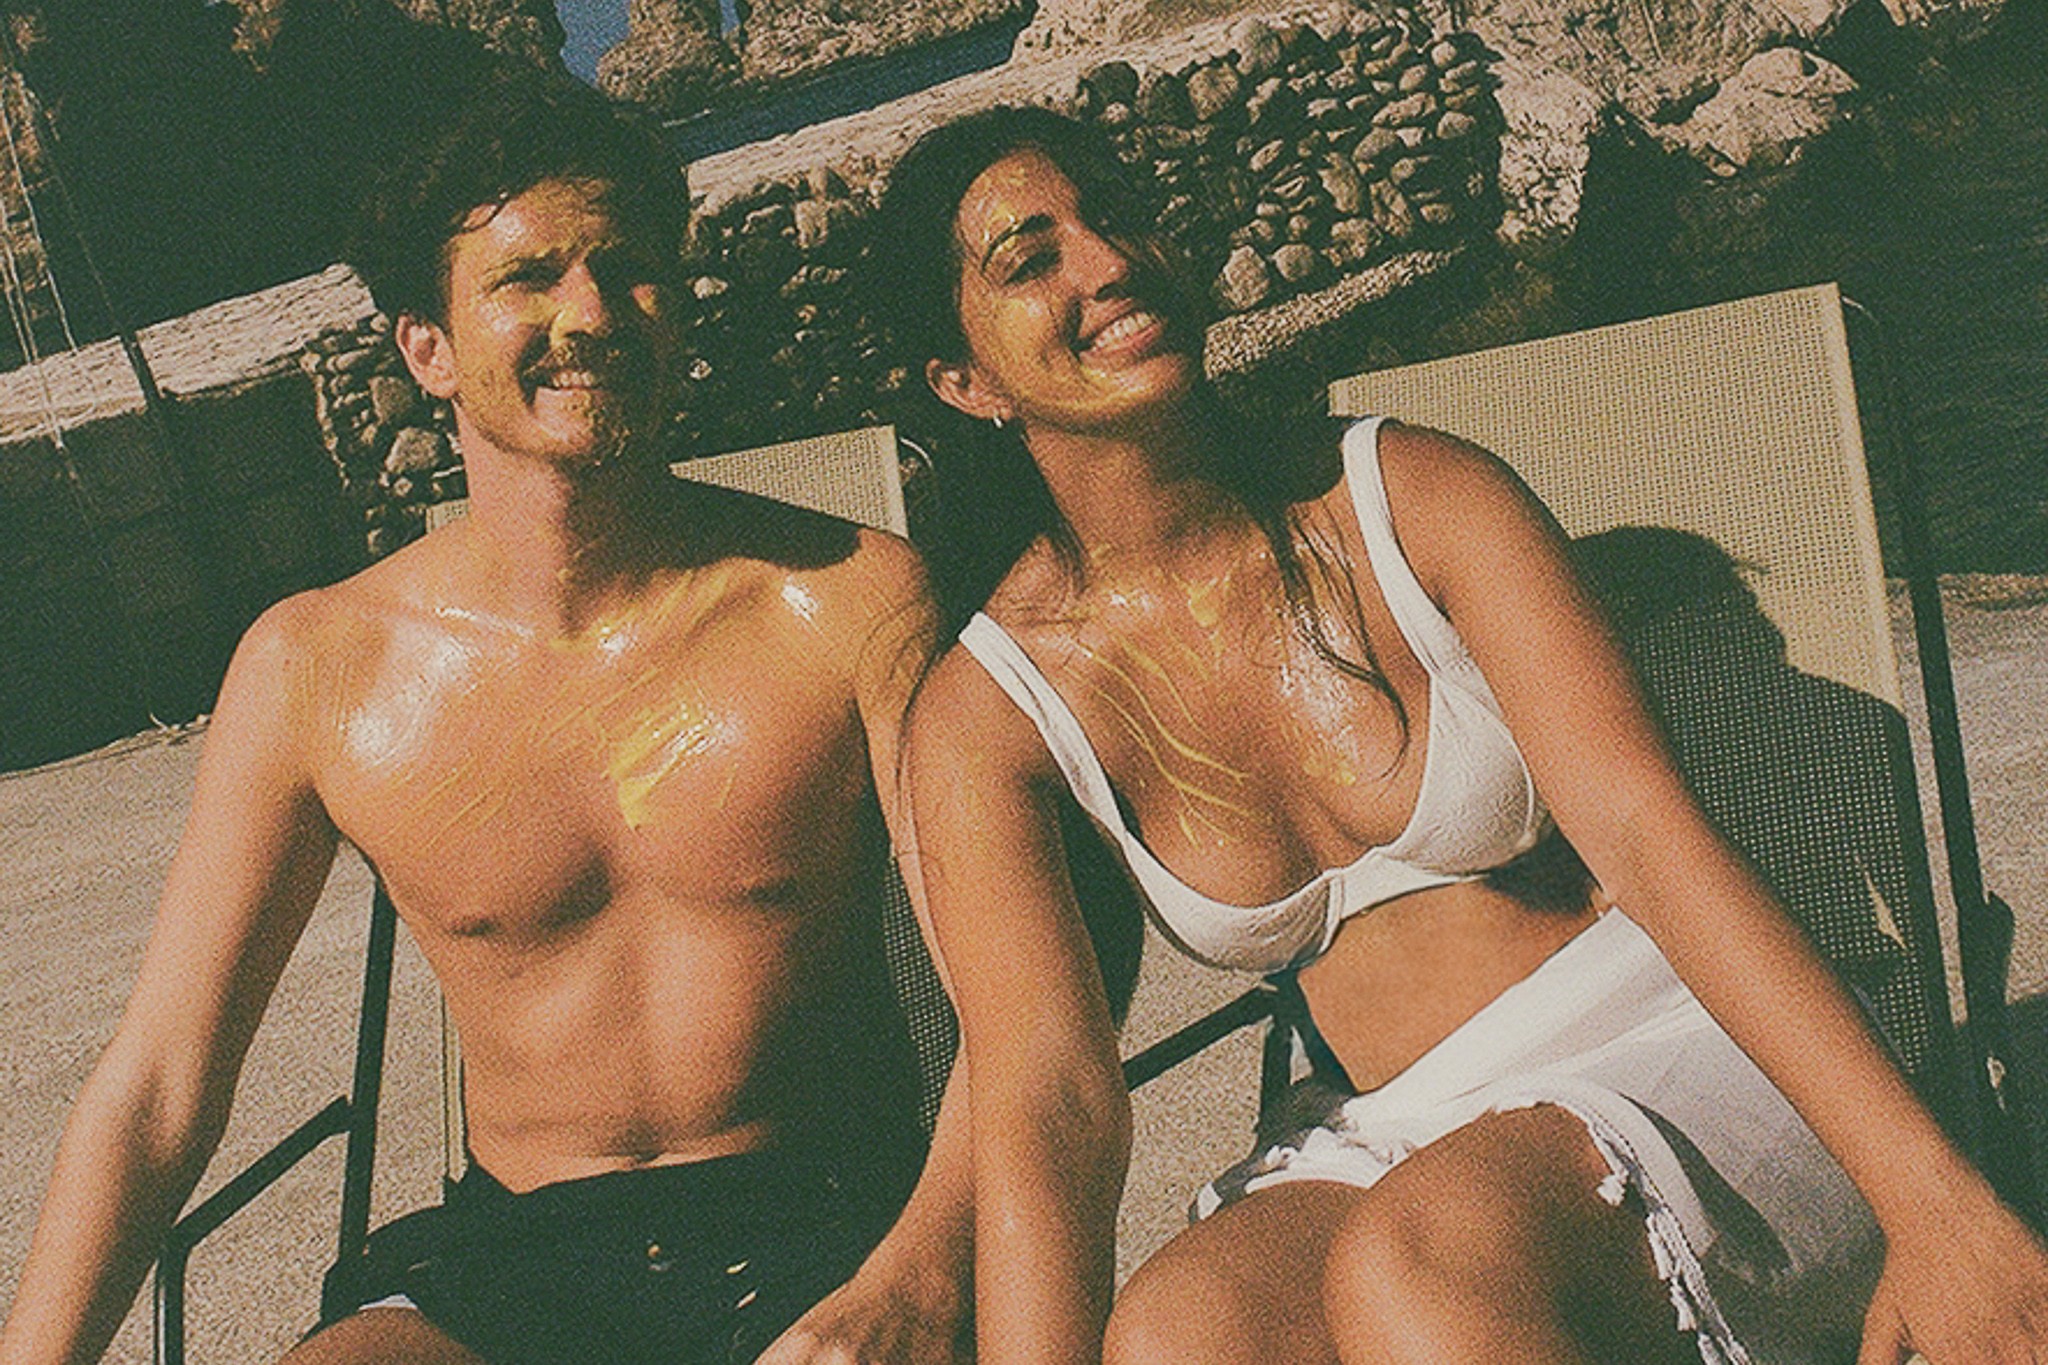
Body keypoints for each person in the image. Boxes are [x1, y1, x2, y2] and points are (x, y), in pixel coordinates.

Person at [873, 104, 2048, 1365]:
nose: (1108, 264)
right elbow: (1045, 1100)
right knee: (1176, 1339)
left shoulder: (1410, 497)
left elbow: (1647, 838)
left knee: (1422, 1270)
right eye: (1030, 260)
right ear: (963, 382)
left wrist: (1934, 1204)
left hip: (1676, 1046)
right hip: (1386, 1126)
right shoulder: (987, 713)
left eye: (1116, 217)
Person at [0, 68, 971, 1365]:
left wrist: (922, 1273)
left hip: (832, 1229)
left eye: (630, 269)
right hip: (515, 1261)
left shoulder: (848, 602)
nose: (592, 313)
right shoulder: (318, 670)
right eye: (528, 278)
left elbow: (1019, 1013)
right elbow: (160, 1084)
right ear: (428, 348)